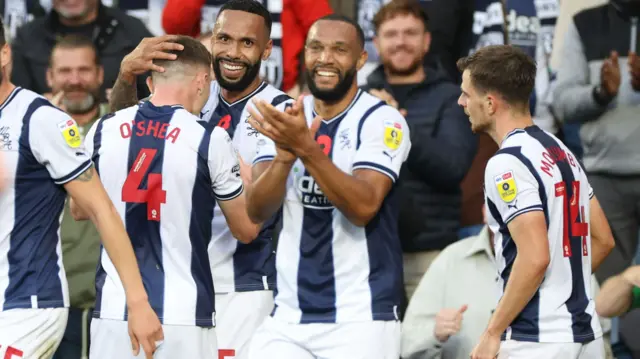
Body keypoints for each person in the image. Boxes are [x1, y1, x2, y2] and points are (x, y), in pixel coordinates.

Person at [108, 2, 294, 357]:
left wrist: (229, 166)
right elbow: (121, 140)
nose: (233, 52)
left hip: (240, 288)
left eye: (247, 43)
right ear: (210, 39)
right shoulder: (193, 94)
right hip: (174, 286)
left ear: (267, 50)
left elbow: (257, 215)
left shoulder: (278, 110)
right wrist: (124, 77)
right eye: (224, 38)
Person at [75, 35, 262, 359]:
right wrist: (251, 181)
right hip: (184, 316)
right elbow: (245, 230)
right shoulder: (210, 139)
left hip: (114, 314)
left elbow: (78, 209)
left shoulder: (103, 129)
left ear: (150, 81)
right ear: (203, 80)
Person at [245, 14, 411, 359]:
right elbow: (257, 210)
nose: (325, 58)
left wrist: (305, 149)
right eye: (316, 48)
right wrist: (284, 159)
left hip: (362, 317)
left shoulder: (381, 119)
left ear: (361, 59)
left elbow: (364, 208)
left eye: (339, 50)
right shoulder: (282, 114)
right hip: (288, 316)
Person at [0, 16, 162, 359]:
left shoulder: (39, 119)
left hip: (28, 304)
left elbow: (101, 209)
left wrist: (138, 301)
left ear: (4, 54)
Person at [456, 44, 615, 359]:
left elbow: (534, 257)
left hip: (536, 340)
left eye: (466, 94)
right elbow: (603, 239)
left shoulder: (506, 163)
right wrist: (561, 289)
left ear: (489, 104)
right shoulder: (562, 151)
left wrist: (492, 331)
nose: (461, 102)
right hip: (586, 335)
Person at [45, 34, 110, 359]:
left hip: (115, 302)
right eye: (65, 71)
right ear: (50, 77)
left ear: (100, 74)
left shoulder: (123, 127)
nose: (74, 80)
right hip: (49, 301)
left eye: (84, 70)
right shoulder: (26, 129)